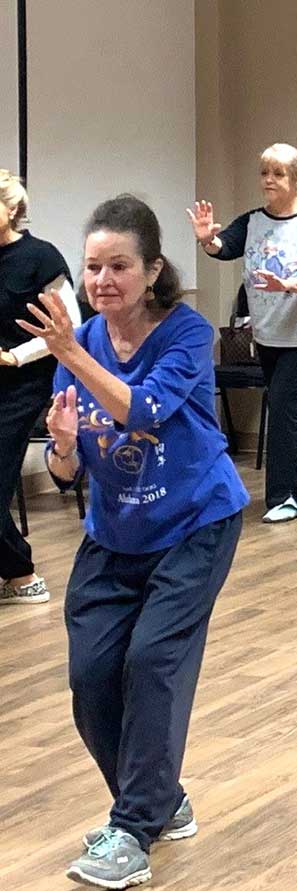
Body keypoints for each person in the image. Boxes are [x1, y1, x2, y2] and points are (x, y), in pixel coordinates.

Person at [18, 195, 249, 890]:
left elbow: (140, 407)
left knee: (151, 663)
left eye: (118, 265)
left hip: (196, 523)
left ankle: (132, 828)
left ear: (151, 269)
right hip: (115, 534)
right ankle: (159, 800)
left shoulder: (185, 332)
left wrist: (65, 352)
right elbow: (68, 470)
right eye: (93, 267)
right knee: (91, 679)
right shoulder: (81, 343)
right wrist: (60, 447)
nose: (102, 280)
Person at [189, 142, 297, 523]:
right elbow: (226, 248)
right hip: (270, 334)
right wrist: (208, 239)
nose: (269, 180)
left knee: (284, 404)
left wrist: (288, 285)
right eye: (264, 173)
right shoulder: (254, 220)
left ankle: (285, 496)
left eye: (278, 173)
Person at [0, 169, 78, 605]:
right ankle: (14, 572)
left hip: (23, 385)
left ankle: (22, 572)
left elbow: (69, 328)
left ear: (13, 210)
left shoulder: (41, 257)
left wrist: (14, 356)